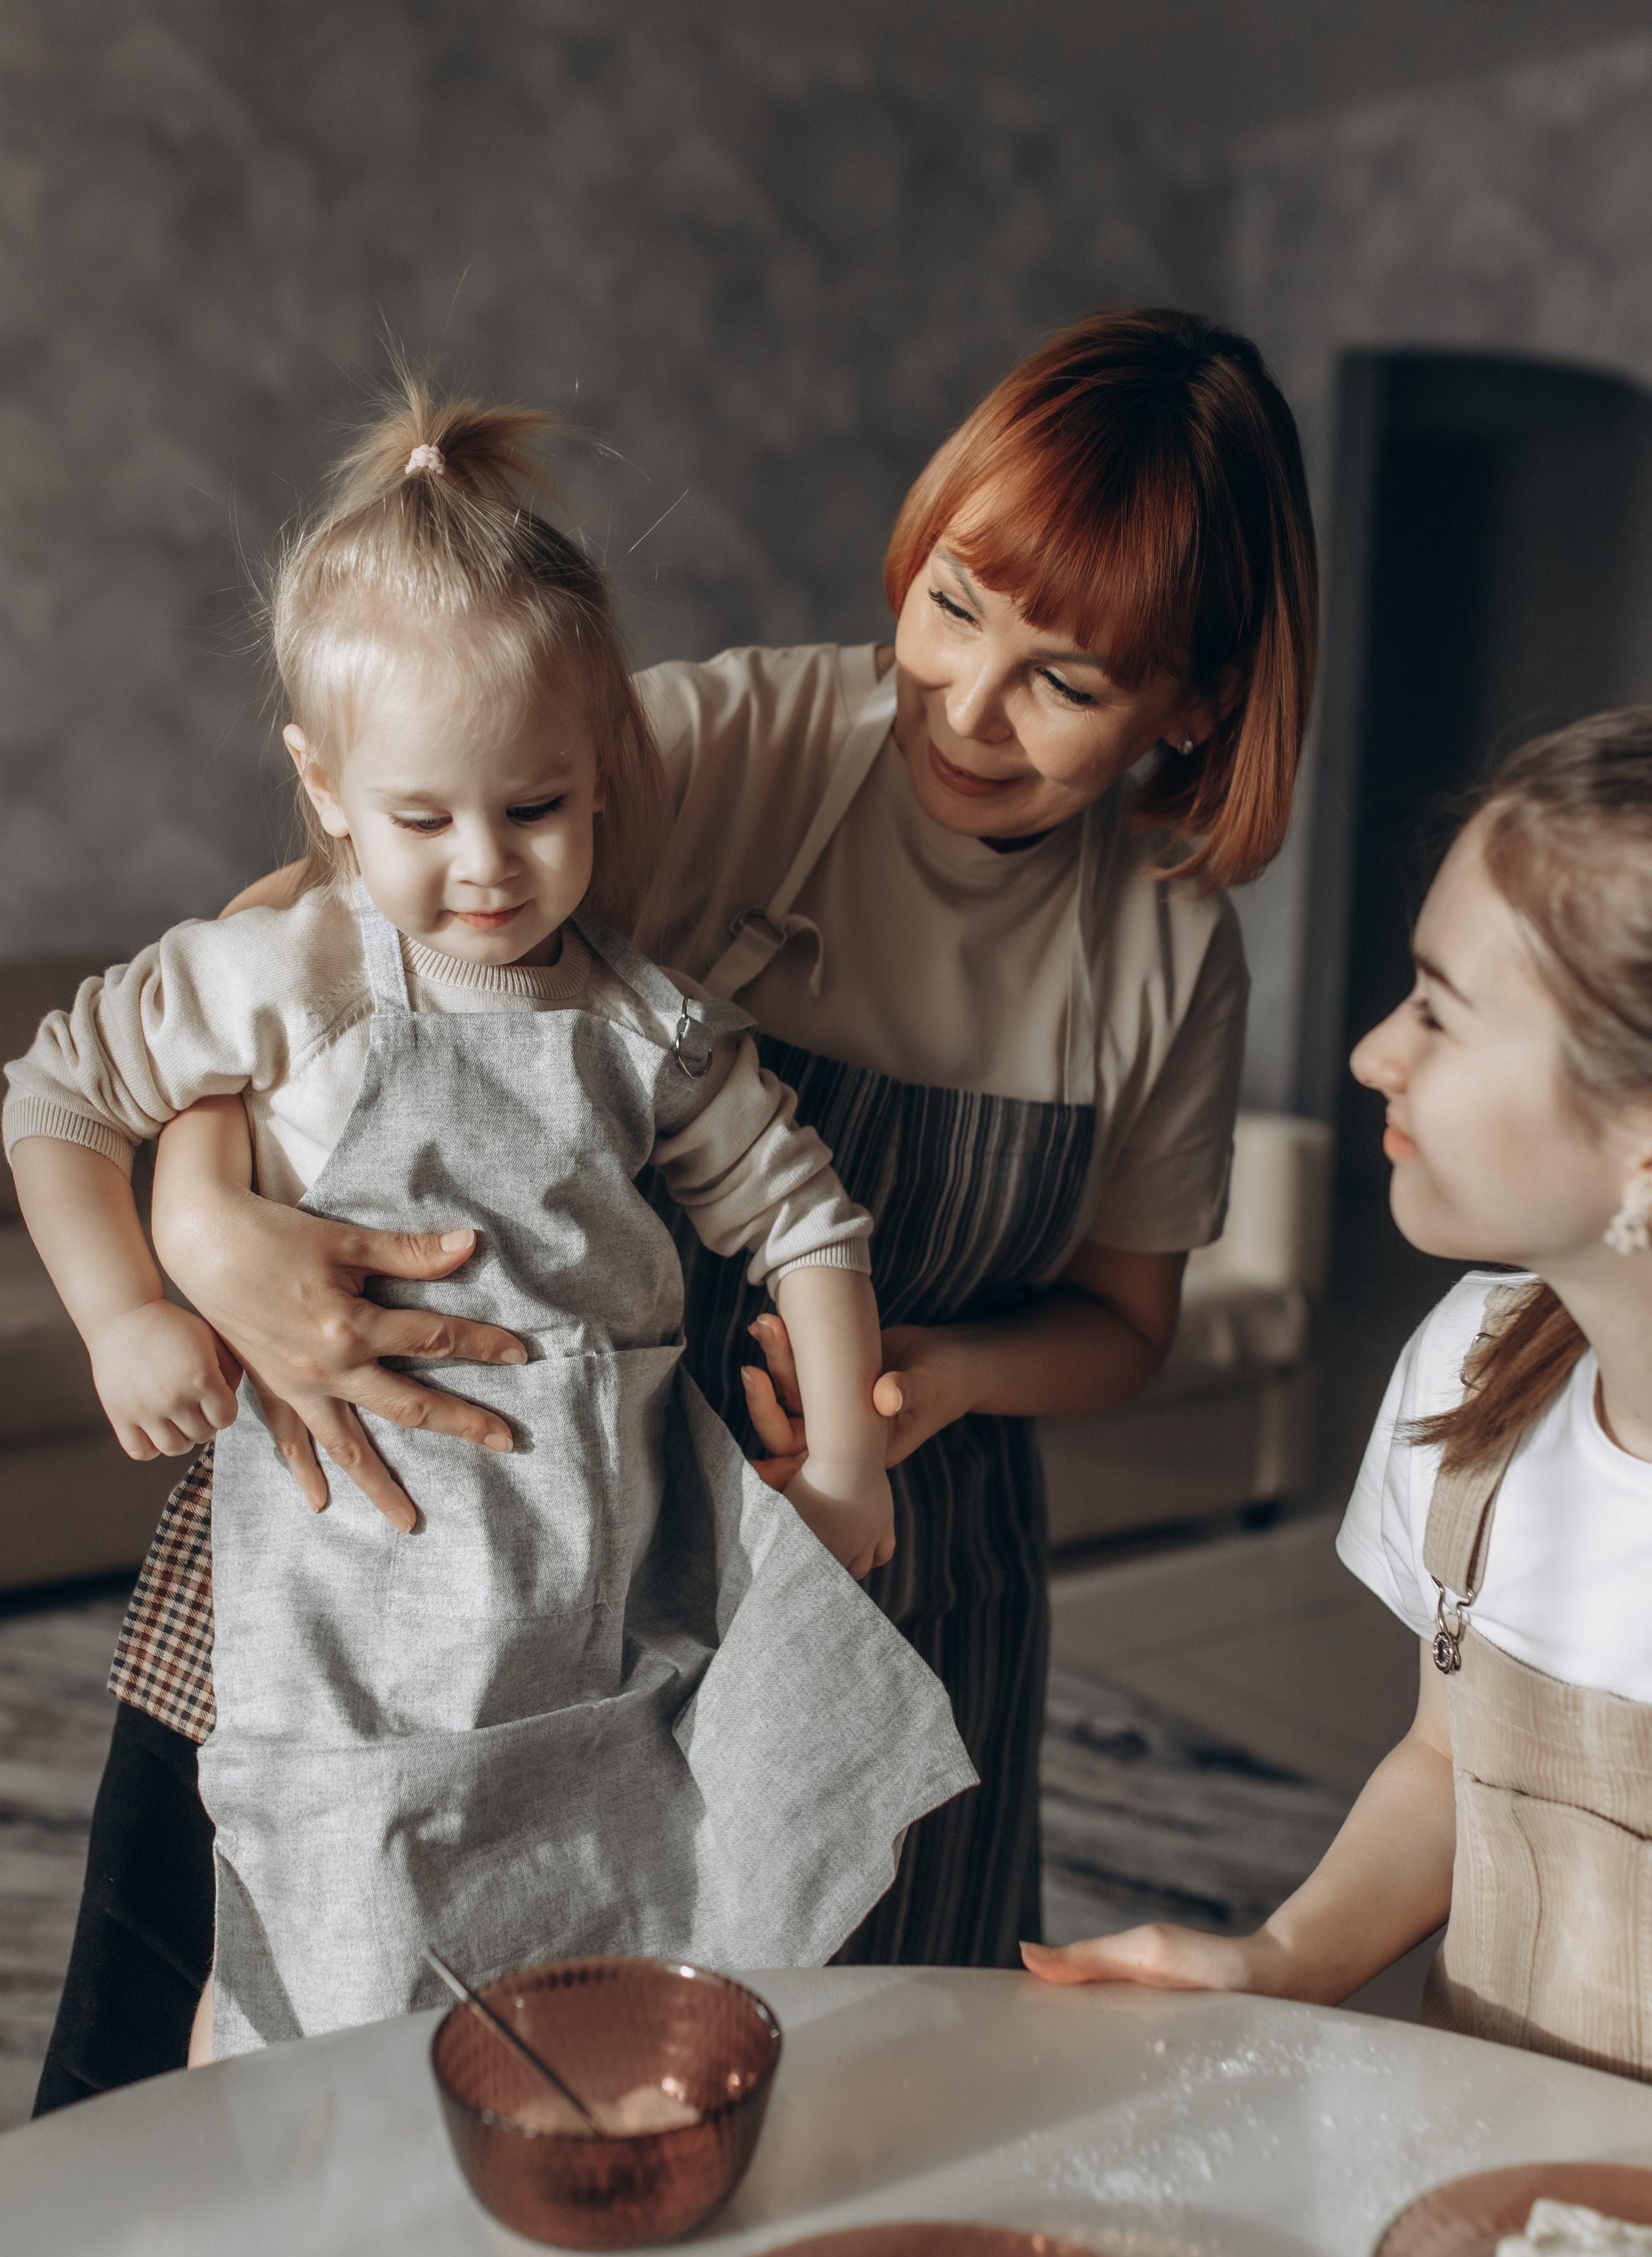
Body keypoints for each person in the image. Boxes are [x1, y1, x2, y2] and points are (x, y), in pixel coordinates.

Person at [40, 306, 1320, 2107]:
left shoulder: (1171, 957)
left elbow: (1122, 1328)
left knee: (821, 2085)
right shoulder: (743, 739)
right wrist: (199, 1235)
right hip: (441, 1496)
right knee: (268, 2024)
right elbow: (325, 916)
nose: (964, 702)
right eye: (955, 605)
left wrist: (927, 1392)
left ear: (1193, 705)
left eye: (1066, 681)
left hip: (870, 1549)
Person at [7, 384, 974, 2072]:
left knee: (590, 1923)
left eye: (534, 810)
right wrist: (125, 1312)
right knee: (324, 1958)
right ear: (324, 792)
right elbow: (56, 1097)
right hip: (346, 1591)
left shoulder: (649, 1028)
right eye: (421, 818)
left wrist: (845, 1464)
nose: (485, 867)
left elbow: (813, 1219)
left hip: (586, 1580)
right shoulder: (282, 977)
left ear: (600, 781)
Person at [1027, 710, 1652, 2083]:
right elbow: (1446, 1773)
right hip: (1498, 2225)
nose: (1374, 1052)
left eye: (1436, 1009)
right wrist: (1275, 1962)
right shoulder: (1472, 1371)